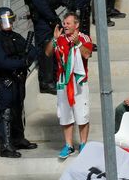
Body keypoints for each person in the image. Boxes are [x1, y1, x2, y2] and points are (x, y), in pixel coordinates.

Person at [0, 7, 39, 158]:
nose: (9, 24)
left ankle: (18, 138)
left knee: (18, 109)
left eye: (10, 20)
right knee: (6, 112)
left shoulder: (15, 37)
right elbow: (3, 63)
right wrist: (22, 61)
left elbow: (33, 51)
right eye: (5, 21)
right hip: (6, 81)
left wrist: (25, 60)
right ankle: (6, 146)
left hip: (18, 80)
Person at [44, 13, 93, 159]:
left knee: (82, 114)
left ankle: (83, 144)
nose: (65, 25)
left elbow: (87, 54)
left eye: (68, 23)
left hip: (79, 82)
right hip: (63, 81)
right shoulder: (59, 39)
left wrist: (77, 42)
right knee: (65, 115)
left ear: (76, 25)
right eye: (64, 23)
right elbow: (47, 53)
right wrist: (54, 39)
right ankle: (69, 145)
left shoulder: (84, 37)